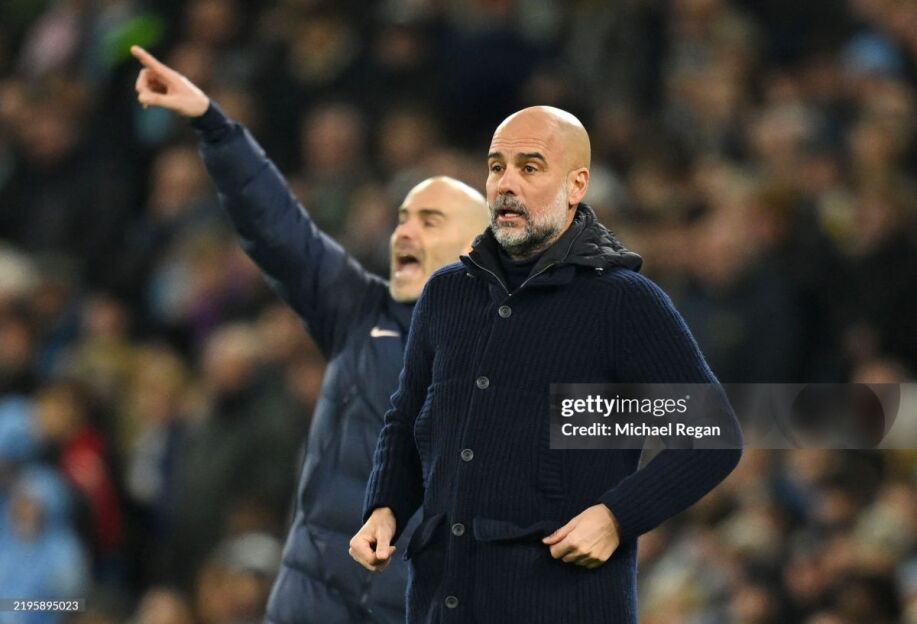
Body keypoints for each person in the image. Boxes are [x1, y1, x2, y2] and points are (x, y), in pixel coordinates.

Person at [130, 45, 490, 624]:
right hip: (312, 605)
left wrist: (621, 511)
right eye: (401, 219)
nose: (404, 232)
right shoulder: (357, 310)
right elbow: (279, 229)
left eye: (429, 221)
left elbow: (628, 425)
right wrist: (214, 126)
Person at [351, 106, 743, 623]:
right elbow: (406, 419)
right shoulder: (446, 293)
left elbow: (712, 436)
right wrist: (386, 506)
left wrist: (616, 517)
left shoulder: (623, 301)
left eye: (530, 168)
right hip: (441, 605)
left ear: (576, 184)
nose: (506, 184)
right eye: (496, 167)